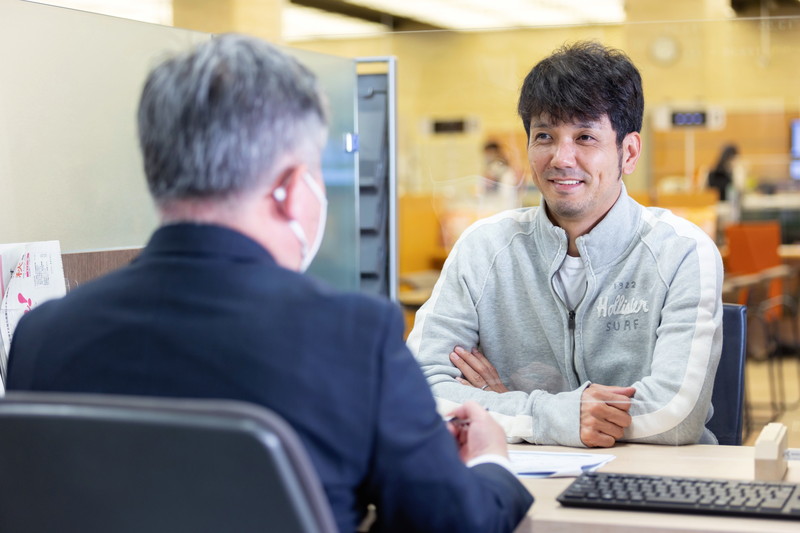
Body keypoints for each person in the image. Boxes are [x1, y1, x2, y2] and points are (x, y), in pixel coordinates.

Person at [5, 34, 532, 532]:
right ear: (287, 190)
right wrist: (491, 462)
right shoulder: (350, 335)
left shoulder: (42, 336)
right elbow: (450, 522)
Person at [407, 41, 723, 449]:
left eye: (586, 137)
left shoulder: (681, 252)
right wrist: (550, 416)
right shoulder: (483, 249)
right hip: (521, 483)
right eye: (545, 136)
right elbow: (417, 389)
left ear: (628, 152)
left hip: (656, 484)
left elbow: (674, 416)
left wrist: (502, 407)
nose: (561, 157)